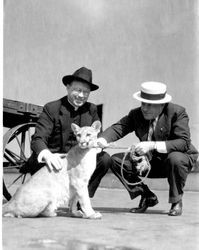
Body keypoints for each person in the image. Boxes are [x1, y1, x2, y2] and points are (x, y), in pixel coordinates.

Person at [97, 81, 198, 216]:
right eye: (143, 103)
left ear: (162, 104)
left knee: (175, 158)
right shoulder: (136, 114)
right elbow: (119, 127)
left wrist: (152, 145)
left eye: (149, 105)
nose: (144, 108)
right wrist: (102, 139)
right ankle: (146, 196)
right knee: (116, 160)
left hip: (176, 160)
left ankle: (176, 201)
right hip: (150, 161)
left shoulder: (177, 112)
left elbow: (183, 142)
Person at [29, 66, 111, 198]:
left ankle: (81, 199)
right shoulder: (52, 108)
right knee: (39, 159)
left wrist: (99, 144)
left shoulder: (92, 109)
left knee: (105, 159)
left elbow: (97, 135)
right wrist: (48, 155)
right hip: (55, 161)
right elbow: (38, 138)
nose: (81, 95)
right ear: (67, 87)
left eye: (86, 92)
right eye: (78, 90)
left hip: (79, 161)